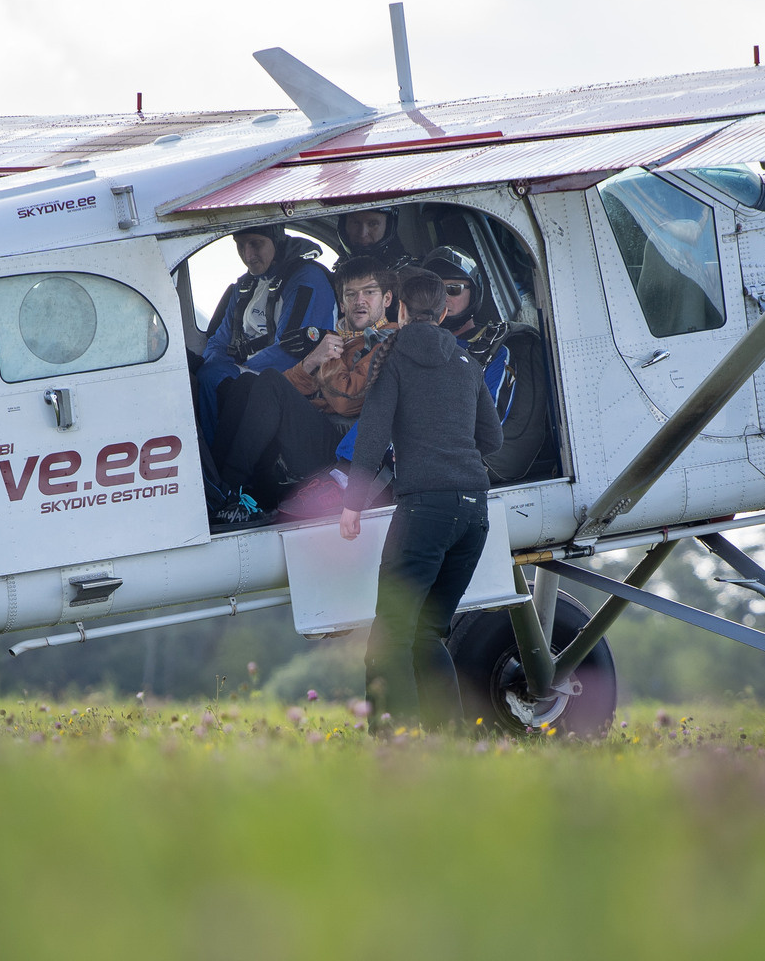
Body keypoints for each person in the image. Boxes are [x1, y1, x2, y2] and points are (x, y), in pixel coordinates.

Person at [339, 267, 502, 730]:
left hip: (425, 511)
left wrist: (352, 504)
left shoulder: (392, 361)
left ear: (402, 311)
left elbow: (371, 438)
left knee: (389, 638)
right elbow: (492, 439)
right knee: (427, 635)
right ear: (445, 311)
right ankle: (449, 743)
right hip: (474, 513)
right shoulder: (467, 362)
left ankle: (393, 748)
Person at [211, 255, 396, 523]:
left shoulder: (389, 344)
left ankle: (228, 490)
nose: (360, 301)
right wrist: (311, 361)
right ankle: (218, 487)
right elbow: (283, 389)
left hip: (344, 453)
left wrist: (329, 359)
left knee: (270, 381)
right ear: (342, 303)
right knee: (247, 385)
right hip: (319, 432)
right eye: (351, 294)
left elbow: (348, 401)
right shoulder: (337, 340)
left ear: (387, 299)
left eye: (369, 292)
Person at [195, 227, 336, 452]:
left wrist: (238, 371)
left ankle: (218, 461)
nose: (248, 255)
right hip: (245, 368)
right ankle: (207, 458)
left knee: (220, 381)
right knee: (200, 374)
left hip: (289, 376)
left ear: (276, 241)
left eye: (256, 244)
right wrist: (214, 366)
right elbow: (220, 341)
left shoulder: (306, 279)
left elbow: (290, 351)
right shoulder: (246, 285)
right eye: (240, 245)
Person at [423, 245, 555, 485]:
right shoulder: (412, 344)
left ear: (474, 292)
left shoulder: (494, 353)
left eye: (453, 289)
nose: (442, 299)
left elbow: (485, 426)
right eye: (434, 290)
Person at [336, 207, 413, 270]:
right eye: (355, 223)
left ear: (388, 227)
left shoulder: (413, 277)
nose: (362, 234)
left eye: (373, 224)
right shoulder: (334, 277)